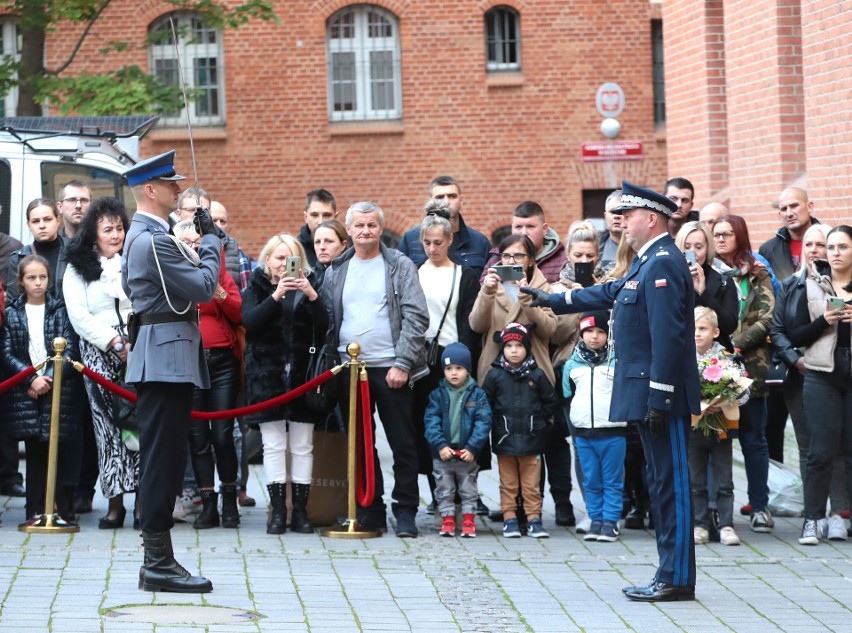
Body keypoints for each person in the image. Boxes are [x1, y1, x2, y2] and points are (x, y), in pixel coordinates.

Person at [523, 180, 699, 602]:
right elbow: (610, 291)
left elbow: (669, 336)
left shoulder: (663, 262)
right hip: (650, 394)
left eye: (629, 215)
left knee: (670, 485)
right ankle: (669, 572)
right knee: (661, 484)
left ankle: (676, 577)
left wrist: (660, 393)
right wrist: (553, 299)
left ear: (651, 218)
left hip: (662, 396)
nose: (621, 221)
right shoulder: (647, 261)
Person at [121, 150, 220, 593]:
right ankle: (157, 562)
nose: (179, 190)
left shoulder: (147, 235)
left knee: (165, 457)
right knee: (163, 461)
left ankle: (158, 559)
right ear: (150, 190)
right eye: (171, 184)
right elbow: (202, 288)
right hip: (165, 358)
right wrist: (214, 243)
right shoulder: (153, 239)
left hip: (164, 355)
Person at [322, 201, 429, 537]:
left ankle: (407, 510)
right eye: (359, 225)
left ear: (381, 229)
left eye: (371, 225)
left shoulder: (399, 265)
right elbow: (327, 317)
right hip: (349, 369)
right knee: (360, 445)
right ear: (349, 230)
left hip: (391, 369)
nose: (365, 231)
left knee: (402, 443)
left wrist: (403, 363)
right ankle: (370, 512)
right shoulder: (337, 269)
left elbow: (416, 316)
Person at [242, 233, 327, 535]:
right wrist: (276, 294)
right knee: (274, 445)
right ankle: (278, 511)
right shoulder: (257, 286)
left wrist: (311, 295)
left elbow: (325, 324)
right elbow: (250, 322)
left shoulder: (311, 285)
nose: (284, 264)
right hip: (268, 376)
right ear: (267, 260)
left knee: (303, 446)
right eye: (279, 258)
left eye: (290, 258)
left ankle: (300, 512)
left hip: (303, 377)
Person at [63, 197, 140, 529]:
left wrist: (134, 340)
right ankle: (115, 504)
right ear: (93, 234)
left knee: (140, 426)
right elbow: (78, 315)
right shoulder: (78, 267)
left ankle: (144, 504)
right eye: (107, 229)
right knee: (108, 430)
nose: (115, 234)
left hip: (139, 349)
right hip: (99, 353)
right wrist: (113, 341)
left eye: (119, 227)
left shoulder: (136, 261)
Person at [770, 223, 848, 539]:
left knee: (847, 450)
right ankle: (813, 517)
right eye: (831, 247)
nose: (832, 252)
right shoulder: (806, 285)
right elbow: (791, 333)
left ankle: (841, 514)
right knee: (818, 449)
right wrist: (824, 322)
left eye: (842, 246)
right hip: (817, 373)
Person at [411, 204, 483, 515]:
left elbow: (468, 320)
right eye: (427, 242)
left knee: (462, 425)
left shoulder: (464, 275)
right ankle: (438, 492)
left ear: (450, 240)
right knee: (430, 425)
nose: (432, 248)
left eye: (438, 242)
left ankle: (465, 493)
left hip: (453, 356)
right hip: (422, 359)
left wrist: (463, 362)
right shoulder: (414, 272)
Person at [0, 255, 82, 525]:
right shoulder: (12, 312)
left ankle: (59, 510)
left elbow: (69, 348)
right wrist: (30, 379)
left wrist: (47, 378)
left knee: (57, 448)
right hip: (25, 391)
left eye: (42, 277)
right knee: (34, 450)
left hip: (55, 388)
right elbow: (7, 352)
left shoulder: (60, 310)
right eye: (31, 278)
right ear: (21, 282)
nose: (37, 283)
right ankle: (34, 512)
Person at [173, 220, 242, 530]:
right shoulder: (175, 276)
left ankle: (230, 500)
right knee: (197, 437)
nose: (194, 250)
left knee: (222, 434)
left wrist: (219, 294)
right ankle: (208, 504)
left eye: (198, 245)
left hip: (222, 361)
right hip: (189, 361)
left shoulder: (221, 275)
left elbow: (241, 315)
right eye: (187, 245)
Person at [713, 215, 776, 532]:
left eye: (727, 234)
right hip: (712, 367)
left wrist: (734, 344)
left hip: (751, 365)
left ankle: (760, 507)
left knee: (753, 439)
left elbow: (767, 318)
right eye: (716, 234)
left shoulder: (756, 272)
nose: (721, 239)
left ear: (740, 235)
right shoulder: (706, 273)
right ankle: (718, 511)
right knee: (716, 438)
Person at [759, 188, 821, 464]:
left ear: (809, 205)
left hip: (821, 346)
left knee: (821, 431)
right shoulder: (769, 249)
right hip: (780, 350)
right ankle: (780, 491)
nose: (788, 213)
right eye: (782, 209)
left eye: (794, 205)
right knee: (772, 425)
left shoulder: (827, 239)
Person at [482, 322, 557, 538]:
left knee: (531, 484)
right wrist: (495, 425)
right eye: (509, 346)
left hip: (532, 439)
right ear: (502, 349)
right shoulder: (495, 375)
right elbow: (485, 403)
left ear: (527, 348)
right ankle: (510, 519)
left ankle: (534, 518)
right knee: (508, 483)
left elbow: (551, 401)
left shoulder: (537, 375)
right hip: (505, 439)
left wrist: (540, 422)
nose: (514, 350)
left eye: (519, 346)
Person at [561, 311, 625, 542]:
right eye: (589, 331)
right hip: (584, 433)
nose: (594, 337)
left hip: (612, 431)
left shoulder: (617, 361)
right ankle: (595, 519)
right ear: (581, 334)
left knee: (612, 479)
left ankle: (610, 521)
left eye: (600, 332)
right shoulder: (572, 364)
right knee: (591, 479)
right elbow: (568, 393)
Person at [690, 307, 749, 547]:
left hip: (720, 426)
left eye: (702, 329)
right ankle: (700, 524)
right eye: (692, 329)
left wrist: (723, 400)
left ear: (715, 332)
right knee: (696, 480)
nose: (696, 334)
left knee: (724, 480)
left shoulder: (728, 359)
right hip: (693, 427)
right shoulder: (681, 360)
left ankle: (726, 525)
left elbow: (744, 393)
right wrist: (697, 403)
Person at [423, 342, 491, 538]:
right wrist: (440, 446)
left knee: (468, 488)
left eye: (459, 368)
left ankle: (469, 520)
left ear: (467, 370)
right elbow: (431, 423)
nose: (454, 373)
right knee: (444, 488)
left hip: (466, 453)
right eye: (449, 368)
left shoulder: (477, 394)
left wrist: (472, 447)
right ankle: (447, 520)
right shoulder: (437, 395)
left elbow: (483, 422)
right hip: (443, 453)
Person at [397, 176, 492, 277]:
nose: (446, 201)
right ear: (431, 201)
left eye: (452, 196)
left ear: (461, 200)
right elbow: (399, 278)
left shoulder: (480, 241)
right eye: (440, 197)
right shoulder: (411, 239)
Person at [674, 221, 738, 350]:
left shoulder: (724, 281)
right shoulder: (669, 279)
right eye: (687, 247)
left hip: (713, 359)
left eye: (698, 247)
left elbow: (729, 325)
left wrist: (703, 293)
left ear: (707, 249)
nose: (692, 253)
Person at [481, 201, 566, 284]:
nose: (524, 232)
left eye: (530, 226)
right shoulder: (496, 259)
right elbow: (482, 295)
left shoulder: (562, 261)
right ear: (512, 229)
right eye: (518, 227)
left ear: (544, 229)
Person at [6, 199, 70, 302]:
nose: (42, 226)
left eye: (47, 219)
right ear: (29, 225)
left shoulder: (75, 250)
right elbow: (13, 304)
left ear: (58, 220)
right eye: (35, 221)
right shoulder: (19, 259)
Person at [298, 189, 338, 269]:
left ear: (335, 217)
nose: (320, 221)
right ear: (306, 217)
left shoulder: (350, 247)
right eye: (314, 215)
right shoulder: (297, 248)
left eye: (326, 215)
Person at [599, 190, 624, 272]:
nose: (616, 216)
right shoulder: (596, 248)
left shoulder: (641, 248)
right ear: (605, 217)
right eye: (612, 212)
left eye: (620, 212)